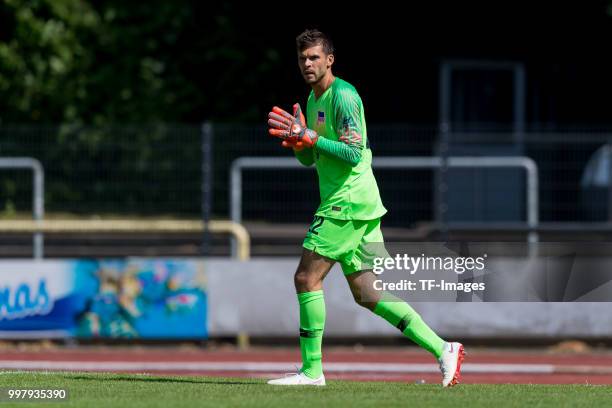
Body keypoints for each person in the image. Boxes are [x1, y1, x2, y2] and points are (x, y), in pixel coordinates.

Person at [266, 28, 465, 387]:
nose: (307, 63)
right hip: (356, 204)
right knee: (367, 293)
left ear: (330, 60)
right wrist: (298, 142)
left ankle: (312, 372)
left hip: (348, 201)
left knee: (306, 277)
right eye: (302, 58)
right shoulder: (313, 100)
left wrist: (310, 137)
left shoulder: (344, 96)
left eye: (314, 57)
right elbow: (311, 159)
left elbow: (353, 151)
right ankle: (443, 348)